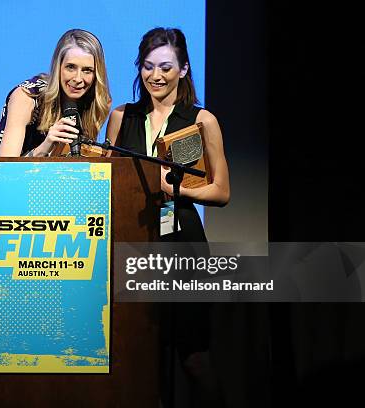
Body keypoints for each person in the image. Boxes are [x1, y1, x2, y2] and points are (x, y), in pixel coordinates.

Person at [106, 27, 229, 407]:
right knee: (139, 358)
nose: (155, 76)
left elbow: (221, 191)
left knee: (193, 358)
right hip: (130, 243)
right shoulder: (121, 116)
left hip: (182, 246)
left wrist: (175, 189)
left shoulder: (201, 120)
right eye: (147, 66)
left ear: (184, 69)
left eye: (165, 66)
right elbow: (105, 175)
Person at [0, 29, 111, 157]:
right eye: (70, 67)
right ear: (57, 67)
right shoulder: (27, 96)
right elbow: (4, 169)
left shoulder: (98, 102)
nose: (77, 79)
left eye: (87, 70)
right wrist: (46, 145)